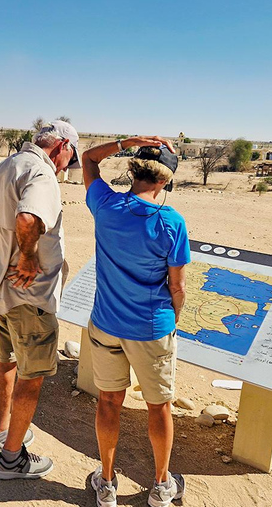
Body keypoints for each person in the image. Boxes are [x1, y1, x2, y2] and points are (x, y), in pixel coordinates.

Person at [0, 120, 80, 480]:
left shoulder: (4, 165)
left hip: (0, 286)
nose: (66, 166)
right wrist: (27, 256)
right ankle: (11, 459)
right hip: (29, 295)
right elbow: (28, 218)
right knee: (33, 374)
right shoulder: (41, 173)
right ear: (61, 147)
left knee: (6, 360)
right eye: (68, 157)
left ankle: (1, 436)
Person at [81, 136, 190, 507]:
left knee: (109, 402)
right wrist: (172, 320)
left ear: (133, 171)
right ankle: (161, 485)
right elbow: (177, 285)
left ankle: (106, 481)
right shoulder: (171, 222)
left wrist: (127, 141)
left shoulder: (106, 205)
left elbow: (89, 160)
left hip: (108, 323)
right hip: (151, 327)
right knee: (159, 406)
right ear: (164, 182)